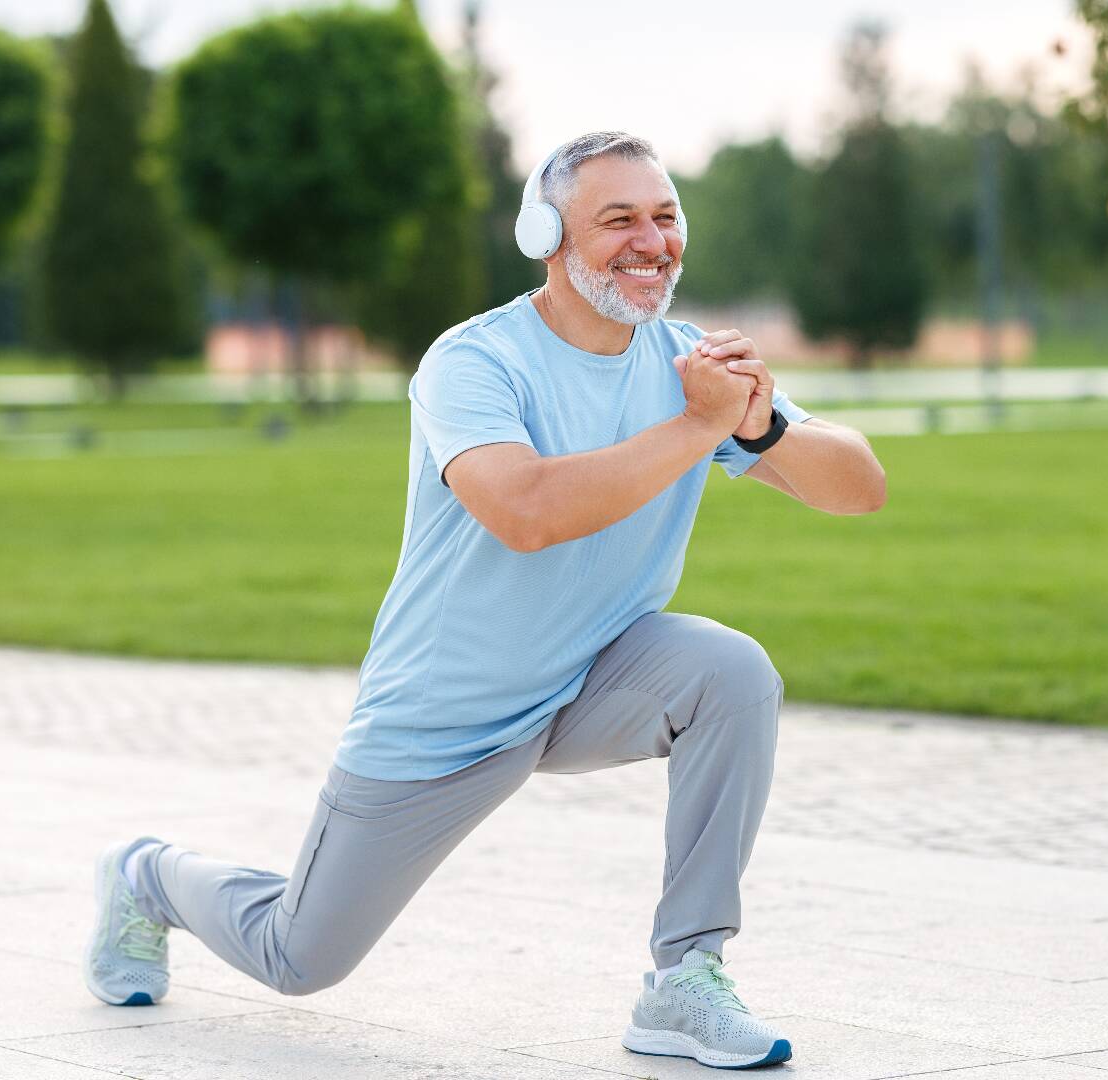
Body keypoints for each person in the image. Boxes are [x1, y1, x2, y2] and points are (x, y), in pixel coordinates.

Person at [84, 131, 887, 1069]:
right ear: (544, 233)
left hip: (592, 682)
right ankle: (146, 877)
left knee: (730, 673)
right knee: (299, 958)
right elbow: (526, 510)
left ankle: (685, 979)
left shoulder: (687, 369)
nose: (651, 241)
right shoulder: (473, 362)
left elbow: (859, 486)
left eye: (665, 217)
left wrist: (762, 418)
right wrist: (701, 424)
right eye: (617, 219)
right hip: (447, 715)